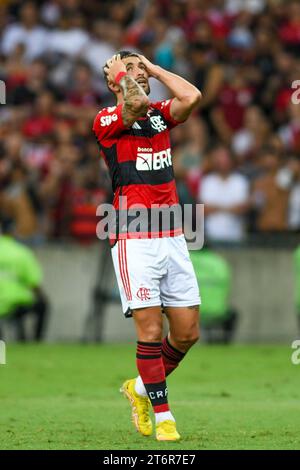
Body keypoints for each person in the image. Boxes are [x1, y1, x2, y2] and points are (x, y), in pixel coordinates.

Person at [93, 51, 202, 441]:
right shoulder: (107, 119)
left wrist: (154, 68)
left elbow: (192, 97)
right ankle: (164, 416)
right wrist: (125, 72)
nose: (139, 73)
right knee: (151, 330)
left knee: (188, 333)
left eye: (143, 68)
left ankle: (138, 389)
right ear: (114, 82)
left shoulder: (159, 114)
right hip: (133, 236)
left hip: (172, 234)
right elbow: (134, 102)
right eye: (131, 69)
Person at [0, 218, 48, 341]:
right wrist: (42, 297)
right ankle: (36, 342)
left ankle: (3, 348)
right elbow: (34, 283)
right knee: (43, 305)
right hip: (16, 301)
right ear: (14, 231)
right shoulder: (22, 252)